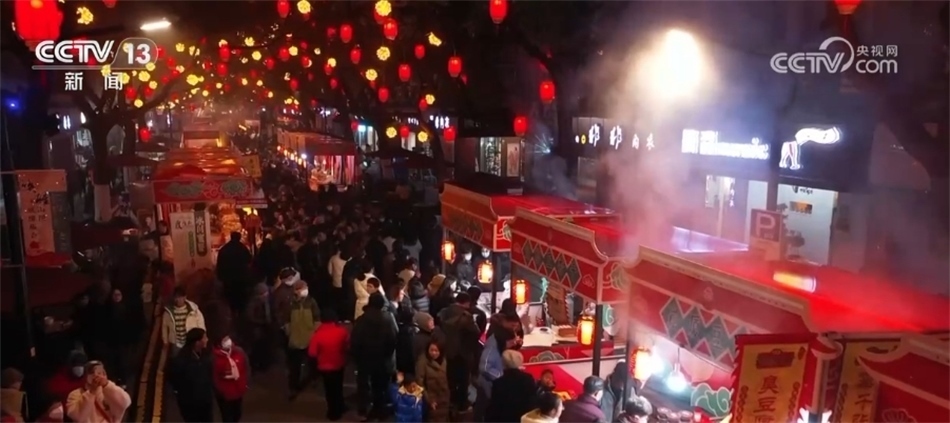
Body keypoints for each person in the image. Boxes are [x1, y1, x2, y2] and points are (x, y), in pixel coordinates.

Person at [351, 293, 398, 421]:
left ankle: (363, 411)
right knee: (380, 386)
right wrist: (388, 354)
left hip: (365, 360)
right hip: (383, 360)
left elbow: (355, 341)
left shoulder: (361, 320)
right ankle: (379, 410)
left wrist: (357, 358)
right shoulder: (388, 318)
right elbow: (394, 337)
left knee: (363, 385)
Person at [437, 292, 481, 412]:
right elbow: (476, 332)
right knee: (463, 381)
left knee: (450, 378)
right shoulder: (466, 316)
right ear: (467, 303)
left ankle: (450, 402)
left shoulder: (444, 312)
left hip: (447, 350)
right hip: (463, 353)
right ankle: (462, 405)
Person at [308, 309, 349, 421]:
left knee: (329, 390)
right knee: (338, 387)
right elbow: (347, 346)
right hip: (338, 364)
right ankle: (341, 406)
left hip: (324, 367)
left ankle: (333, 412)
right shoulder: (342, 332)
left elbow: (312, 353)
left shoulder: (317, 334)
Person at [282, 279, 319, 400]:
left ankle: (313, 378)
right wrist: (289, 333)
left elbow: (317, 318)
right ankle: (293, 387)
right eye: (301, 288)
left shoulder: (311, 302)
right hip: (295, 340)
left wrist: (314, 333)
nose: (304, 290)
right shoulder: (290, 304)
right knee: (295, 367)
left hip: (309, 339)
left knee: (312, 362)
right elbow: (286, 320)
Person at [169, 328, 214, 422]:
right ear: (197, 342)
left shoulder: (205, 354)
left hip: (205, 402)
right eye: (204, 338)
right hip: (191, 405)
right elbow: (175, 382)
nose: (207, 339)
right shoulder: (181, 361)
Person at [64, 361, 132, 423]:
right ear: (85, 376)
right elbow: (79, 418)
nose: (95, 375)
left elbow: (125, 403)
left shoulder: (111, 391)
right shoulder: (74, 395)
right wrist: (91, 392)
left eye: (99, 372)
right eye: (91, 373)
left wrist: (106, 385)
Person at [485, 350, 537, 423]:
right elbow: (532, 403)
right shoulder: (528, 379)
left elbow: (495, 408)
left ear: (503, 363)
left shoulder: (499, 382)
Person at [103, 288, 140, 386]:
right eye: (115, 295)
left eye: (119, 294)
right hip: (112, 341)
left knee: (123, 362)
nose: (117, 297)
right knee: (113, 362)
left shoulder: (126, 308)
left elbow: (131, 325)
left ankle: (123, 380)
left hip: (123, 341)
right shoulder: (107, 309)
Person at [211, 335, 249, 422]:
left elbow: (246, 368)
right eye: (224, 340)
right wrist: (219, 391)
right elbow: (213, 376)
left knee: (237, 415)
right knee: (228, 418)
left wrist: (245, 384)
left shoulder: (238, 352)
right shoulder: (214, 357)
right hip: (224, 395)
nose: (228, 341)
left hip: (238, 391)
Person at [217, 232, 253, 314]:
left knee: (230, 298)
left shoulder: (224, 249)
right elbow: (249, 260)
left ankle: (232, 313)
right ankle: (240, 314)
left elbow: (220, 264)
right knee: (240, 297)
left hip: (228, 278)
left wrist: (220, 276)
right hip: (241, 278)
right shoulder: (243, 248)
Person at [162, 287, 207, 353]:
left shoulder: (194, 310)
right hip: (177, 344)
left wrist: (202, 337)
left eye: (180, 297)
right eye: (176, 297)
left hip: (191, 342)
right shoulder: (168, 312)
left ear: (185, 297)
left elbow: (201, 322)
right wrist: (165, 341)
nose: (178, 300)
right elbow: (164, 326)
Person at [415, 342, 450, 422]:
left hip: (444, 399)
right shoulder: (423, 362)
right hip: (432, 399)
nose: (434, 353)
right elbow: (420, 382)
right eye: (431, 350)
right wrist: (429, 400)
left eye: (436, 350)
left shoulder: (443, 361)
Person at [244, 283, 274, 373]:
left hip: (265, 327)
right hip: (257, 328)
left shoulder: (267, 301)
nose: (266, 295)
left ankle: (264, 364)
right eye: (264, 293)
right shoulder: (253, 303)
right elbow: (250, 316)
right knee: (257, 347)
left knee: (265, 346)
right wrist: (260, 321)